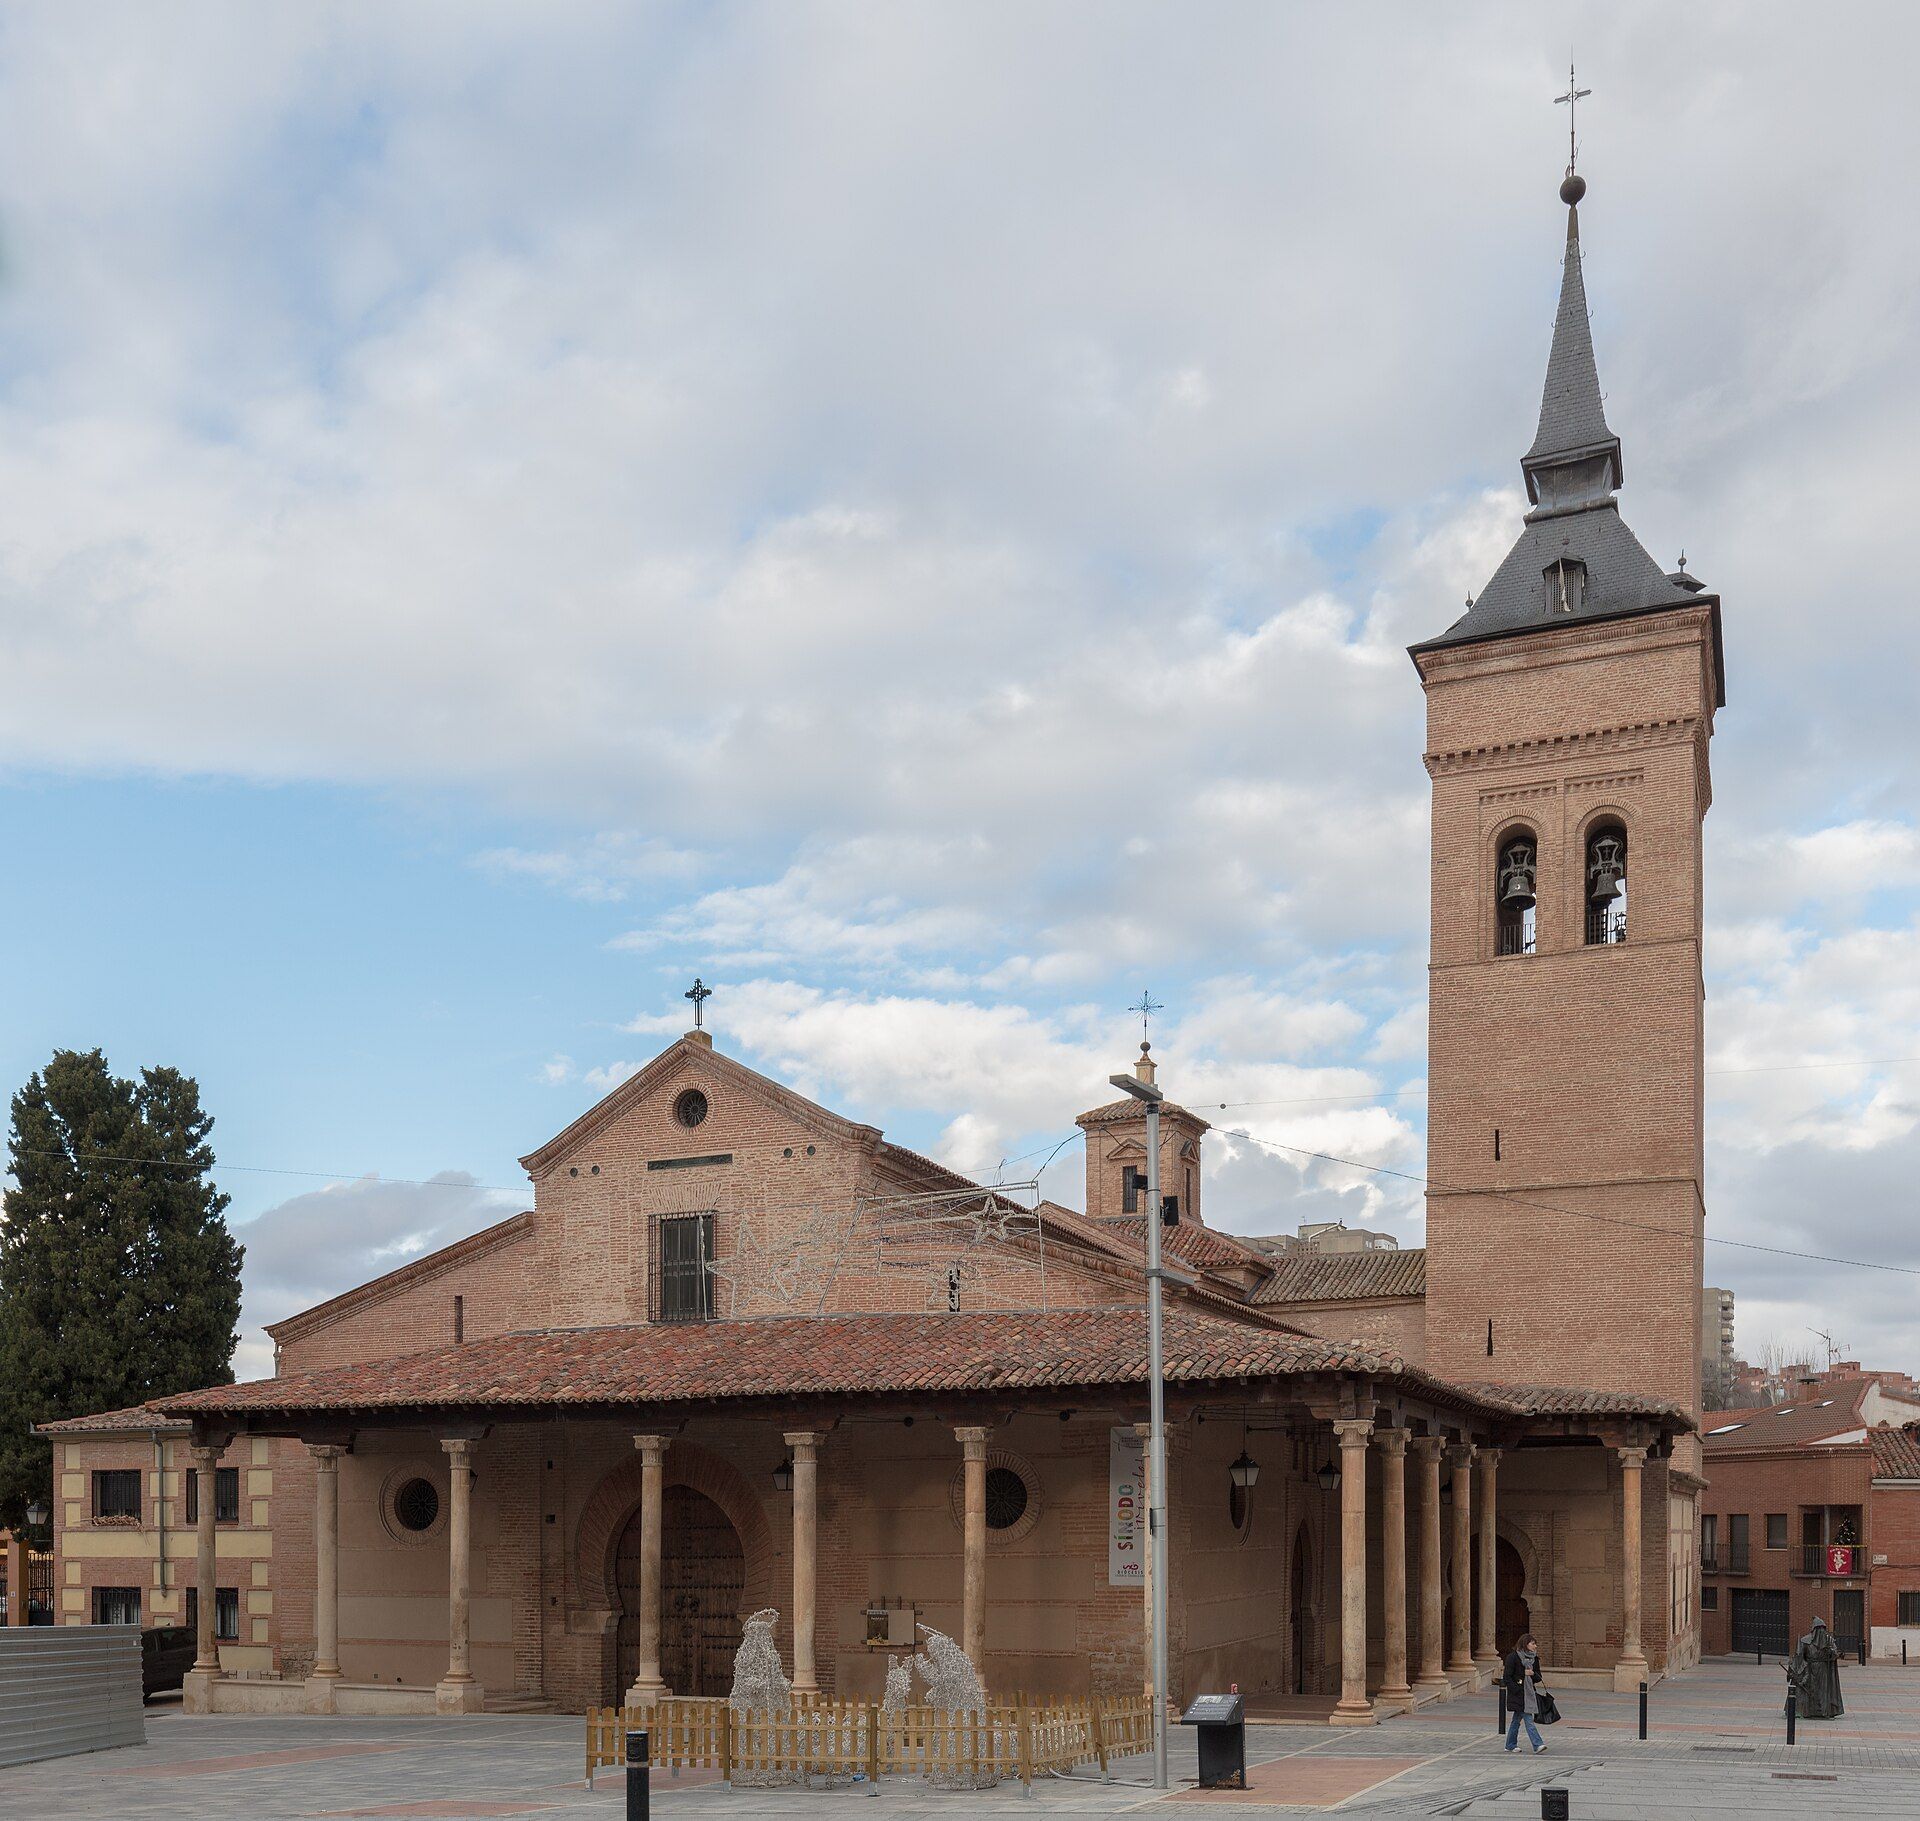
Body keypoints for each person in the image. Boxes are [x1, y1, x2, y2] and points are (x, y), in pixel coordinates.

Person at [1788, 1615, 1845, 1720]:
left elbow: (1835, 1654)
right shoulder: (1805, 1640)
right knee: (1809, 1690)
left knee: (1823, 1691)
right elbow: (1800, 1656)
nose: (1820, 1632)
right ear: (1814, 1629)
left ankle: (1824, 1711)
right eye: (1818, 1629)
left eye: (1822, 1629)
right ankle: (1806, 1711)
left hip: (1823, 1669)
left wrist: (1831, 1652)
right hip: (1810, 1668)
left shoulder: (1829, 1641)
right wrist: (1798, 1670)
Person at [1502, 1631, 1547, 1753]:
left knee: (1516, 1720)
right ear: (1526, 1644)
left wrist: (1532, 1674)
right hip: (1518, 1694)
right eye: (1533, 1643)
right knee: (1528, 1719)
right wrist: (1523, 1675)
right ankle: (1537, 1744)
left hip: (1529, 1693)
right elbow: (1507, 1677)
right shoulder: (1513, 1657)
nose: (1535, 1646)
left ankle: (1510, 1745)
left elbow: (1538, 1677)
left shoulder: (1534, 1659)